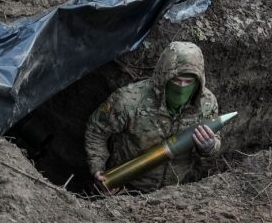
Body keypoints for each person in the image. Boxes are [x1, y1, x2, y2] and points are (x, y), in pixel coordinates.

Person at [84, 41, 221, 192]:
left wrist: (209, 147)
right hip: (125, 189)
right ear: (163, 77)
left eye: (188, 81)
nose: (182, 87)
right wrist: (98, 168)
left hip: (177, 193)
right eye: (176, 80)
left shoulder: (206, 103)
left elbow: (215, 142)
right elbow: (96, 130)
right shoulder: (129, 100)